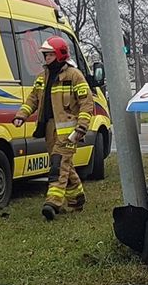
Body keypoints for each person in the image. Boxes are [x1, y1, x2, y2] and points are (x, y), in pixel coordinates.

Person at [12, 36, 94, 220]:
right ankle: (77, 199)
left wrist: (81, 127)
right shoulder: (43, 77)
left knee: (58, 165)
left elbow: (87, 104)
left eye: (49, 54)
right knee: (65, 165)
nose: (46, 58)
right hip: (49, 129)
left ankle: (52, 203)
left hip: (69, 132)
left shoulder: (74, 76)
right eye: (45, 55)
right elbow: (33, 98)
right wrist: (21, 115)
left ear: (59, 55)